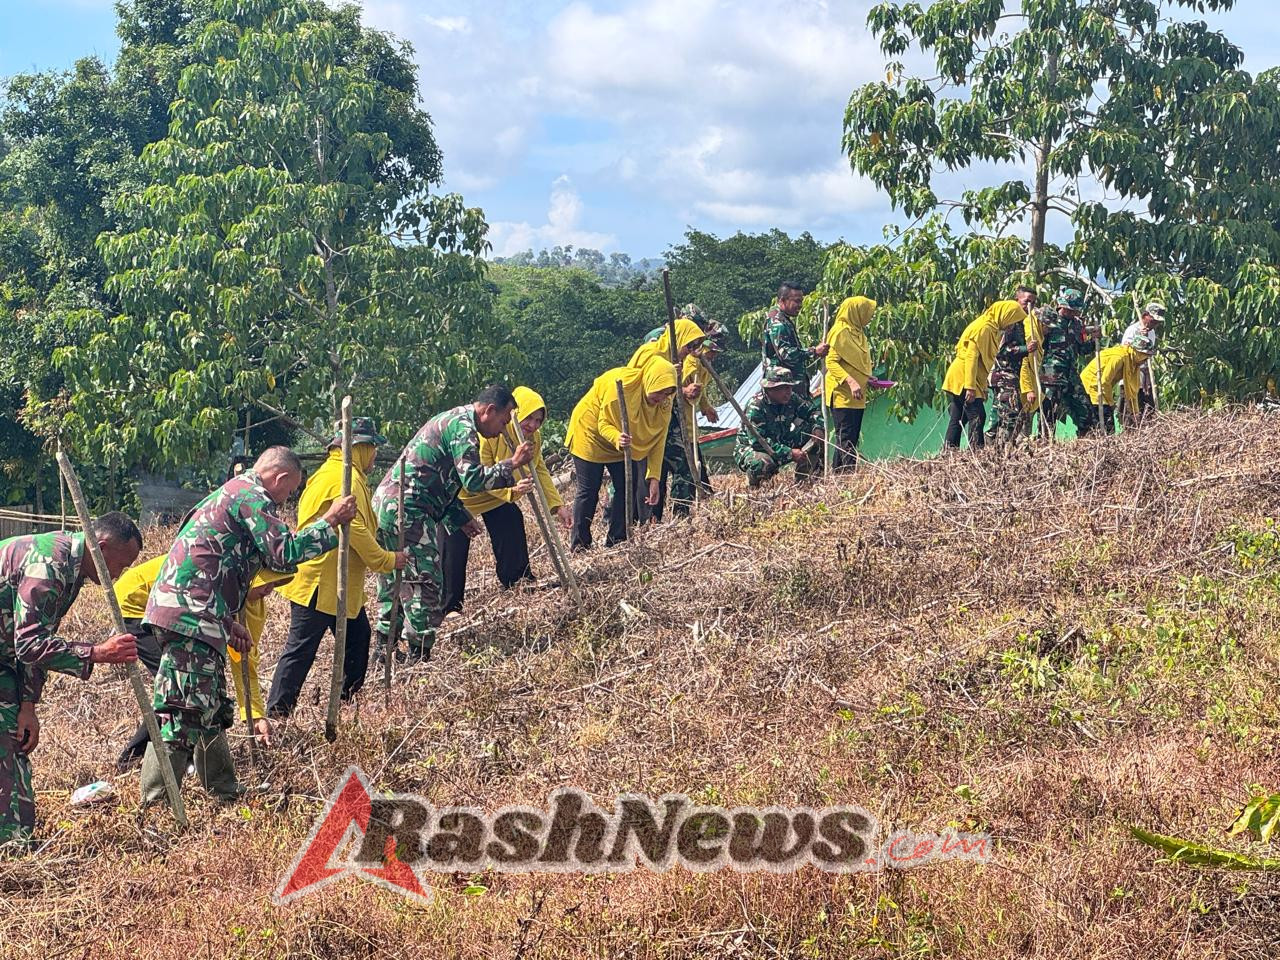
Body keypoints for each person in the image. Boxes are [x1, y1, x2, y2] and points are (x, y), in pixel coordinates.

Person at [140, 446, 356, 805]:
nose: (287, 500)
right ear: (281, 478)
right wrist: (329, 521)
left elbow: (209, 568)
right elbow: (283, 552)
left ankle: (223, 791)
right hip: (189, 617)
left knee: (208, 707)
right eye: (289, 492)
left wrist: (228, 620)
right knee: (181, 710)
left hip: (201, 614)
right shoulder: (251, 495)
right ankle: (157, 803)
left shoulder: (235, 494)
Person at [1, 514, 142, 845]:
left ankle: (16, 839)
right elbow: (31, 644)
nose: (120, 574)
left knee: (12, 738)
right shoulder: (49, 565)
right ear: (101, 547)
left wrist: (28, 706)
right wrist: (95, 653)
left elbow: (36, 642)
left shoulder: (75, 570)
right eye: (120, 565)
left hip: (6, 659)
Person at [372, 386, 534, 666]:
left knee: (395, 580)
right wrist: (512, 464)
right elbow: (471, 479)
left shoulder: (454, 420)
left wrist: (458, 516)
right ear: (489, 411)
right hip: (409, 511)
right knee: (426, 583)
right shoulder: (463, 426)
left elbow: (439, 479)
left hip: (391, 507)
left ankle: (382, 651)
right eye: (504, 420)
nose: (504, 428)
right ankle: (418, 657)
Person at [268, 418, 405, 718]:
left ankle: (347, 703)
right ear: (359, 448)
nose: (373, 456)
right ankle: (277, 714)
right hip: (321, 584)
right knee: (301, 650)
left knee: (358, 638)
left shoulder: (332, 474)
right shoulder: (344, 479)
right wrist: (388, 560)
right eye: (371, 448)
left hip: (335, 584)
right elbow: (357, 532)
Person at [116, 557, 289, 766]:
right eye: (264, 582)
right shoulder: (219, 582)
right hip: (136, 602)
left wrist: (255, 715)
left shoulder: (252, 605)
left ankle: (191, 757)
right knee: (178, 683)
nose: (268, 590)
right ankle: (134, 759)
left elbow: (244, 661)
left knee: (197, 681)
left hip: (177, 611)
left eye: (275, 583)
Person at [441, 386, 564, 615]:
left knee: (511, 519)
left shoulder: (532, 438)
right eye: (529, 418)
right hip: (465, 497)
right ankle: (450, 606)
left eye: (539, 421)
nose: (533, 426)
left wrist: (557, 505)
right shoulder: (490, 433)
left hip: (497, 494)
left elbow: (539, 468)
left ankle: (517, 580)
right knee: (453, 545)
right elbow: (480, 476)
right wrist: (510, 492)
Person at [566, 360, 678, 549]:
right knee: (589, 489)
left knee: (628, 483)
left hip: (623, 441)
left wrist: (654, 478)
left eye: (667, 393)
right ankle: (580, 543)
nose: (662, 397)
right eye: (659, 391)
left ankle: (617, 539)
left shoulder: (664, 404)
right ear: (649, 381)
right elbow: (603, 424)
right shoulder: (621, 390)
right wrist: (617, 437)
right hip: (591, 432)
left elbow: (659, 440)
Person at [941, 300, 1029, 449]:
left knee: (958, 417)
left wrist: (982, 388)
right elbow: (971, 357)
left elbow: (983, 363)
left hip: (969, 377)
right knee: (978, 416)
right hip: (964, 376)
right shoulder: (984, 328)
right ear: (1006, 316)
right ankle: (977, 452)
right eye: (1012, 321)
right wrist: (970, 387)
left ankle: (949, 451)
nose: (1011, 326)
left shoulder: (992, 328)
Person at [734, 364, 824, 488]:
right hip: (755, 448)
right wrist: (790, 453)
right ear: (770, 389)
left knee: (814, 438)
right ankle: (755, 488)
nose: (788, 392)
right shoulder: (756, 406)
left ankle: (803, 482)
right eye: (783, 388)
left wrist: (818, 428)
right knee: (761, 463)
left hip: (781, 439)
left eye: (790, 387)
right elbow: (759, 442)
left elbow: (813, 411)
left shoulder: (791, 398)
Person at [1037, 287, 1099, 435]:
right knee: (1049, 410)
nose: (1072, 313)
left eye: (1075, 311)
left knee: (1085, 410)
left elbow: (1081, 349)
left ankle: (1087, 442)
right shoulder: (1049, 319)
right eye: (1070, 310)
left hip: (1070, 373)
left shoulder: (1077, 324)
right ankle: (1044, 441)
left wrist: (1094, 340)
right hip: (1052, 373)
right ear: (1062, 306)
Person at [823, 296, 876, 469]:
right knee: (845, 437)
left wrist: (868, 377)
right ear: (856, 312)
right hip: (842, 394)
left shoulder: (859, 333)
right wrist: (852, 382)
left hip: (858, 395)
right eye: (866, 311)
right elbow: (831, 362)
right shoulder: (839, 331)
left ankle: (839, 474)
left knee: (850, 437)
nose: (869, 316)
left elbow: (857, 362)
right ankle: (849, 476)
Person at [762, 282, 829, 411]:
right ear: (782, 300)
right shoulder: (777, 323)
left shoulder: (784, 320)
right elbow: (786, 355)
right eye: (796, 301)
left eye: (801, 301)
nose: (800, 306)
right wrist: (814, 351)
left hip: (792, 389)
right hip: (782, 389)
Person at [987, 307, 1043, 445]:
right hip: (1006, 377)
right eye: (1027, 301)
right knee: (1006, 413)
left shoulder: (1029, 329)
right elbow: (1004, 351)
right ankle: (995, 446)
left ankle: (1003, 447)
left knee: (1012, 415)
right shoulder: (1011, 326)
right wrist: (1025, 349)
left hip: (1015, 380)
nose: (1030, 305)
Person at [1080, 334, 1155, 434]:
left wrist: (1135, 413)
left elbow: (1133, 390)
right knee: (1106, 423)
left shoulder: (1132, 362)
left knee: (1107, 423)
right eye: (1145, 356)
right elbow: (1104, 382)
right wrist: (1111, 403)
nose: (1146, 359)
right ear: (1137, 351)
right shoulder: (1119, 357)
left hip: (1103, 388)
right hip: (1093, 386)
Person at [1122, 301, 1166, 415]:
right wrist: (1139, 338)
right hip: (1130, 377)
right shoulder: (1132, 330)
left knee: (1148, 411)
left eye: (1157, 322)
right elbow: (1125, 353)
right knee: (1130, 412)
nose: (1155, 324)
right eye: (1153, 320)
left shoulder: (1151, 333)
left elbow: (1147, 355)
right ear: (1145, 316)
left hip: (1144, 378)